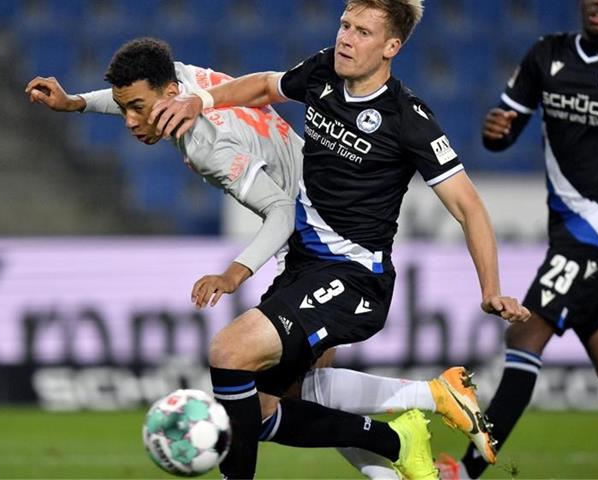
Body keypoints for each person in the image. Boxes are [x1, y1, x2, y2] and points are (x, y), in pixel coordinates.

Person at [25, 36, 508, 479]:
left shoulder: (206, 142)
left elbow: (279, 210)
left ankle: (430, 399)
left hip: (322, 241)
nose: (130, 121)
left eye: (137, 110)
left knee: (239, 370)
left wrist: (235, 273)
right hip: (317, 235)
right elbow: (137, 93)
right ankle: (401, 454)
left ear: (170, 91)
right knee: (292, 399)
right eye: (127, 109)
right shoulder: (182, 81)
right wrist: (76, 104)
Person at [149, 0, 530, 479]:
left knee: (229, 351)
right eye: (345, 25)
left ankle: (430, 398)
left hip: (353, 276)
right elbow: (265, 85)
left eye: (363, 32)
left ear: (392, 46)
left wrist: (492, 289)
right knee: (265, 411)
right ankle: (399, 450)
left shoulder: (408, 118)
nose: (346, 38)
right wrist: (204, 101)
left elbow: (469, 207)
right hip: (305, 264)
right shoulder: (323, 71)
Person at [435, 0, 598, 478]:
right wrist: (495, 130)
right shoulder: (548, 54)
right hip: (566, 229)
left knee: (525, 338)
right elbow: (504, 128)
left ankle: (466, 471)